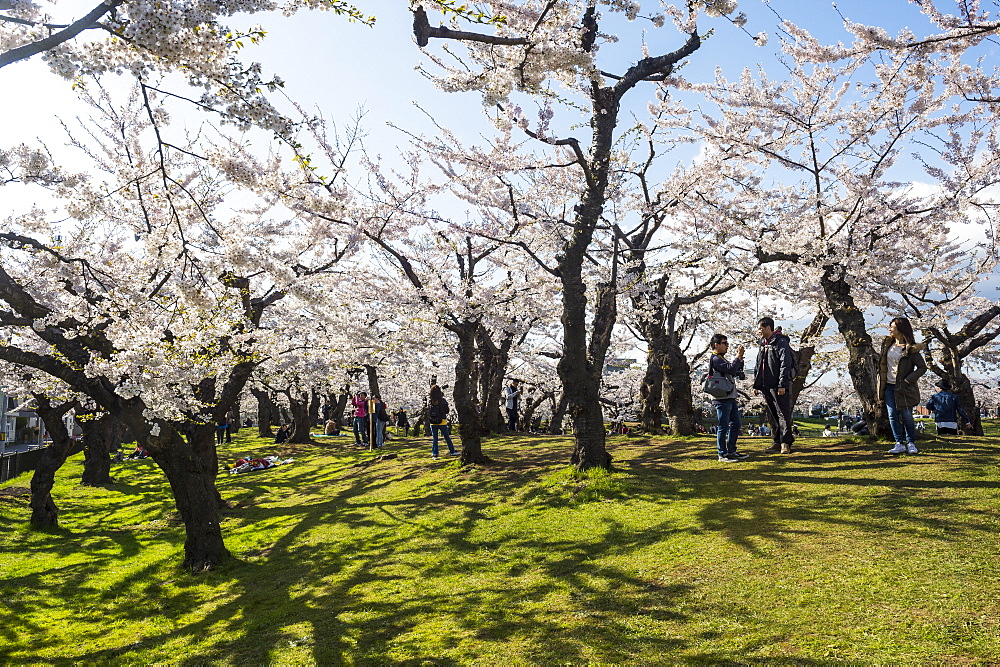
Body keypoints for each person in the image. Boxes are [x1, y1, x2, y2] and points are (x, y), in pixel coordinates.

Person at [878, 316, 928, 455]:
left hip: (904, 387)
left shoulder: (911, 349)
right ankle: (899, 443)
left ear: (900, 329)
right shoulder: (887, 345)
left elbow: (922, 368)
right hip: (888, 385)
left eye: (892, 327)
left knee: (907, 415)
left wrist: (908, 380)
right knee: (892, 414)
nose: (890, 329)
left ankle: (911, 442)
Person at [753, 317, 797, 454]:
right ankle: (777, 441)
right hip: (766, 384)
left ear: (768, 328)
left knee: (783, 413)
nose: (759, 331)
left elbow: (785, 364)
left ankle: (786, 442)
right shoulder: (763, 343)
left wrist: (782, 384)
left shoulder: (781, 342)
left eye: (760, 328)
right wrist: (756, 383)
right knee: (774, 414)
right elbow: (758, 363)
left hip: (778, 385)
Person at [708, 333, 749, 462]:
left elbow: (733, 370)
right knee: (723, 426)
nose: (727, 346)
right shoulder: (715, 359)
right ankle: (722, 454)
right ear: (716, 345)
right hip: (722, 397)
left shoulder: (721, 358)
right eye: (725, 343)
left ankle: (731, 451)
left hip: (729, 396)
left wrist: (740, 361)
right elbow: (731, 369)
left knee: (735, 424)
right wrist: (738, 356)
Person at [427, 384, 458, 459]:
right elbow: (447, 411)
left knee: (435, 439)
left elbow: (428, 411)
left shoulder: (430, 401)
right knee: (447, 437)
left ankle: (435, 454)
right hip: (442, 421)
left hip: (433, 422)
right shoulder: (442, 400)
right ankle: (452, 451)